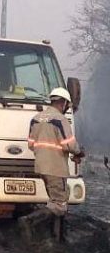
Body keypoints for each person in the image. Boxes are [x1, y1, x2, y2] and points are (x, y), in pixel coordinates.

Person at [19, 88, 84, 242]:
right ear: (63, 103)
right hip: (56, 168)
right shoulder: (60, 120)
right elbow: (69, 145)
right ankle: (29, 221)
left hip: (41, 167)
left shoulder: (36, 119)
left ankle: (56, 237)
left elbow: (31, 144)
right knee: (60, 204)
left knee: (53, 201)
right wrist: (79, 152)